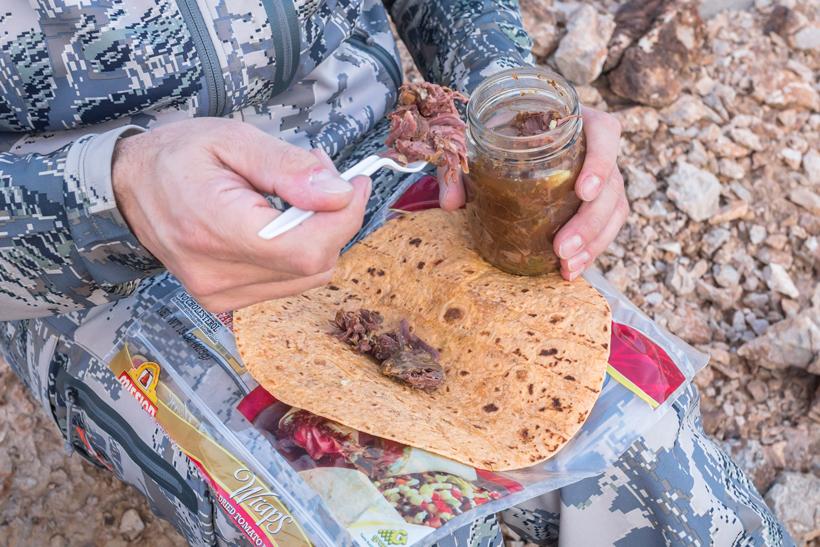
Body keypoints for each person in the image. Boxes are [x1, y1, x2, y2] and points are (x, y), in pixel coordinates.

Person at [0, 1, 790, 545]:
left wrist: (494, 99)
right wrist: (116, 194)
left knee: (656, 465)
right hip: (112, 276)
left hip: (389, 163)